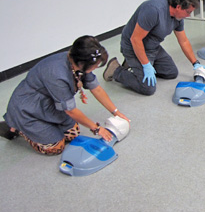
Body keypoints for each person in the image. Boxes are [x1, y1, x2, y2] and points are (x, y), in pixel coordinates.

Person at [0, 36, 130, 155]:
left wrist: (116, 112)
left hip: (49, 104)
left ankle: (44, 127)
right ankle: (16, 127)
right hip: (27, 109)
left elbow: (97, 89)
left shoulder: (79, 63)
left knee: (73, 134)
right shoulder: (57, 74)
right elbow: (71, 111)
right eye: (95, 66)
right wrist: (97, 129)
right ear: (81, 63)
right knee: (55, 147)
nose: (96, 67)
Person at [103, 0, 205, 96]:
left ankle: (136, 64)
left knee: (171, 72)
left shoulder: (178, 18)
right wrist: (146, 65)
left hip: (152, 47)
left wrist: (196, 63)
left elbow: (183, 41)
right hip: (133, 47)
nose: (189, 15)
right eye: (188, 12)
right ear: (178, 6)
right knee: (147, 88)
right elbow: (135, 39)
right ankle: (116, 70)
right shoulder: (153, 10)